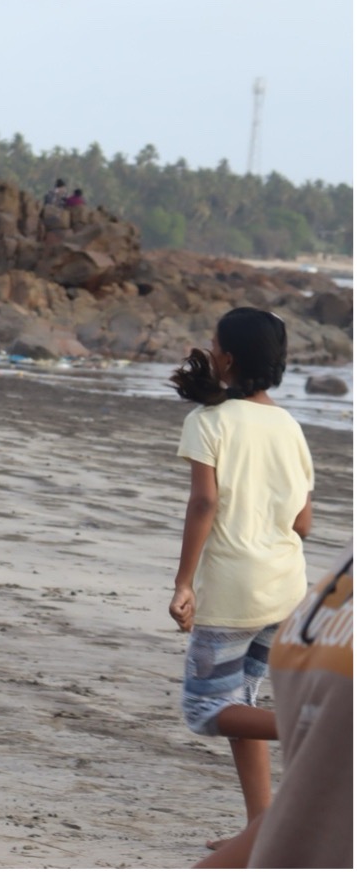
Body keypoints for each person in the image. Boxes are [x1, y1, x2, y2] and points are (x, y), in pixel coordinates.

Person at [168, 307, 314, 851]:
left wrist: (184, 583)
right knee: (241, 704)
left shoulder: (207, 423)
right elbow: (303, 521)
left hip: (234, 592)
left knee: (205, 709)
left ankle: (316, 728)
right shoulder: (290, 427)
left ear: (226, 359)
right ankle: (262, 826)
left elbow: (205, 501)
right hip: (287, 590)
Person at [194, 544, 351, 869]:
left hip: (236, 591)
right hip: (275, 587)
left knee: (211, 706)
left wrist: (184, 581)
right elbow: (309, 796)